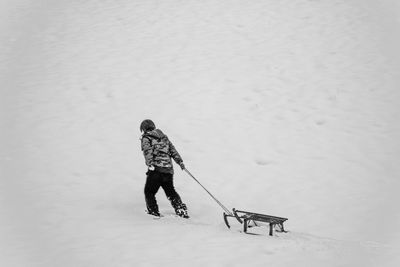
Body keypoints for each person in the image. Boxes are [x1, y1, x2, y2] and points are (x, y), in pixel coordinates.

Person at [140, 119, 189, 218]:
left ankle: (153, 211)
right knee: (170, 191)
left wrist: (150, 164)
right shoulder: (164, 137)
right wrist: (180, 162)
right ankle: (180, 209)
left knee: (149, 191)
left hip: (156, 170)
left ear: (144, 129)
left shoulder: (146, 138)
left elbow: (147, 151)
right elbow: (172, 150)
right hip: (168, 170)